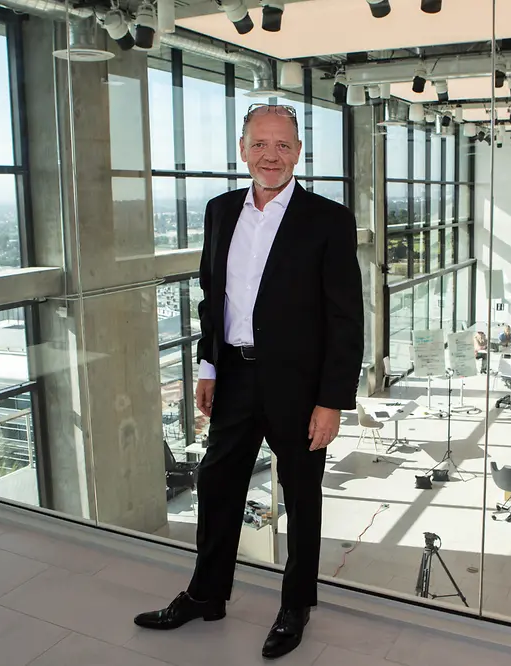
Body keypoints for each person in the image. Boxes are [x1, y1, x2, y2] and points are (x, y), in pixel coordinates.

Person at [133, 104, 364, 660]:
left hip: (300, 387)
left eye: (283, 145)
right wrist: (208, 366)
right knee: (215, 487)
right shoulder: (218, 212)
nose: (271, 155)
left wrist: (332, 401)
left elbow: (346, 317)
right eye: (260, 144)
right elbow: (213, 297)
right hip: (234, 376)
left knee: (301, 496)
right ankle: (205, 594)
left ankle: (295, 606)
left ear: (299, 152)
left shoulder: (327, 219)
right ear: (243, 150)